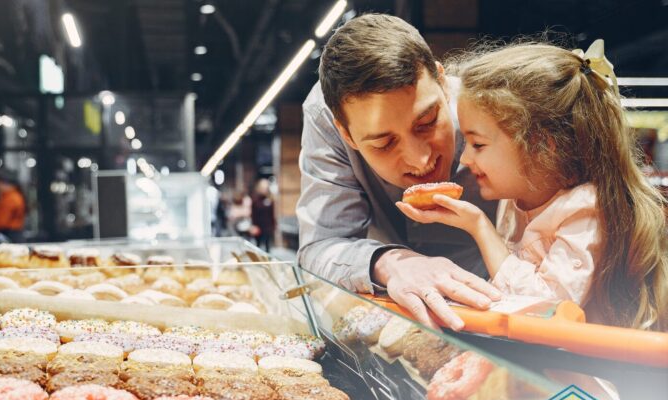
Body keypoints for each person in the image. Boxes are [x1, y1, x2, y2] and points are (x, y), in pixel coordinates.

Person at [397, 41, 668, 331]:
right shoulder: (514, 200)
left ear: (541, 145)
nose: (465, 158)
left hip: (582, 369)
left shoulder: (585, 209)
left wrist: (479, 227)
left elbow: (547, 310)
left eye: (478, 144)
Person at [297, 14, 501, 330]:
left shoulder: (498, 106)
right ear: (346, 134)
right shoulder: (326, 116)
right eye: (383, 143)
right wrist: (392, 264)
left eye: (427, 123)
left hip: (501, 311)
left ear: (443, 84)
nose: (420, 161)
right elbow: (320, 245)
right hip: (396, 317)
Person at [251, 178, 276, 252]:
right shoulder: (255, 200)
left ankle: (268, 262)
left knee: (268, 247)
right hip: (258, 227)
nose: (264, 189)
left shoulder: (270, 200)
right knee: (258, 246)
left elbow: (272, 214)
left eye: (266, 188)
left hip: (268, 227)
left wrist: (274, 225)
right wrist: (254, 226)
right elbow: (253, 214)